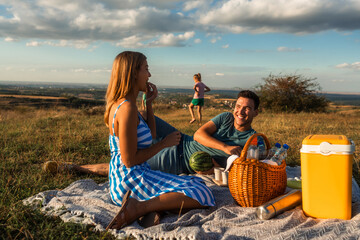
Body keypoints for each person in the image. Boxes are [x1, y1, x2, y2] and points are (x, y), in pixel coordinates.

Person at [102, 51, 215, 230]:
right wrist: (164, 143)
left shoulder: (125, 105)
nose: (149, 75)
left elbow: (151, 135)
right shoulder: (127, 109)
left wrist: (148, 103)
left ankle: (156, 208)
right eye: (146, 69)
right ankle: (139, 207)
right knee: (201, 192)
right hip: (129, 182)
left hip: (131, 176)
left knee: (196, 182)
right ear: (132, 73)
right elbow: (129, 160)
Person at [44, 90, 260, 176]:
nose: (240, 111)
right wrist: (225, 148)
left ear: (255, 113)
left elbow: (243, 171)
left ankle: (75, 168)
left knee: (131, 164)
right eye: (238, 105)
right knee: (138, 115)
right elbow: (198, 136)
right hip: (180, 139)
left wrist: (216, 166)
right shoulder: (224, 117)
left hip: (180, 160)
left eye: (247, 108)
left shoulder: (253, 142)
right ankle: (123, 143)